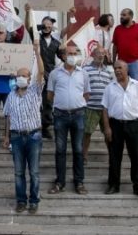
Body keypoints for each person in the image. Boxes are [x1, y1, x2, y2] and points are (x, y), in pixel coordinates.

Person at [2, 39, 45, 213]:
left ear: (29, 78)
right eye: (18, 75)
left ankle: (34, 200)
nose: (21, 77)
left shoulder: (35, 91)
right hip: (16, 137)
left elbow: (41, 72)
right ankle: (21, 200)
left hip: (34, 136)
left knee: (33, 171)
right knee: (19, 172)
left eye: (24, 75)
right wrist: (6, 137)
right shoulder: (11, 95)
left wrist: (36, 51)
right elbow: (8, 117)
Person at [101, 60, 138, 196]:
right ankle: (113, 185)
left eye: (120, 68)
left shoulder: (137, 86)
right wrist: (107, 128)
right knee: (114, 157)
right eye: (115, 68)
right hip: (115, 125)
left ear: (127, 69)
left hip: (134, 125)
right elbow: (105, 109)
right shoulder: (109, 87)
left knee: (136, 156)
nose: (117, 70)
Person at [47, 45, 90, 195]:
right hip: (60, 116)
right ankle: (60, 182)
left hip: (78, 115)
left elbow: (86, 94)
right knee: (60, 150)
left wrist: (75, 104)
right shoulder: (54, 73)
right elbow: (50, 95)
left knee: (78, 150)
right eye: (69, 53)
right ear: (63, 56)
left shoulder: (83, 74)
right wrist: (63, 104)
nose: (72, 56)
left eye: (75, 53)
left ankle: (79, 182)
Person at [25, 3, 60, 139]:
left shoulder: (56, 43)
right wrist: (28, 12)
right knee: (34, 100)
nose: (47, 26)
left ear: (52, 27)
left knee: (48, 102)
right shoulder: (36, 37)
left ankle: (45, 127)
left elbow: (61, 55)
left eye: (50, 25)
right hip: (36, 73)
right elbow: (28, 26)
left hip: (50, 74)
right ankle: (33, 125)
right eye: (45, 24)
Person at [82, 47, 114, 163]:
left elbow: (112, 89)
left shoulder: (109, 71)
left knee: (108, 133)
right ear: (93, 55)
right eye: (98, 53)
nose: (101, 55)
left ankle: (112, 156)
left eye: (103, 54)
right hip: (90, 107)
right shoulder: (85, 69)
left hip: (105, 109)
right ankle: (83, 156)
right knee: (86, 133)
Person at [112, 8, 138, 82]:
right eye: (121, 15)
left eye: (124, 15)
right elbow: (115, 46)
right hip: (121, 62)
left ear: (131, 16)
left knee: (136, 84)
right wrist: (114, 60)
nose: (121, 17)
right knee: (121, 83)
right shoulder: (118, 29)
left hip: (135, 62)